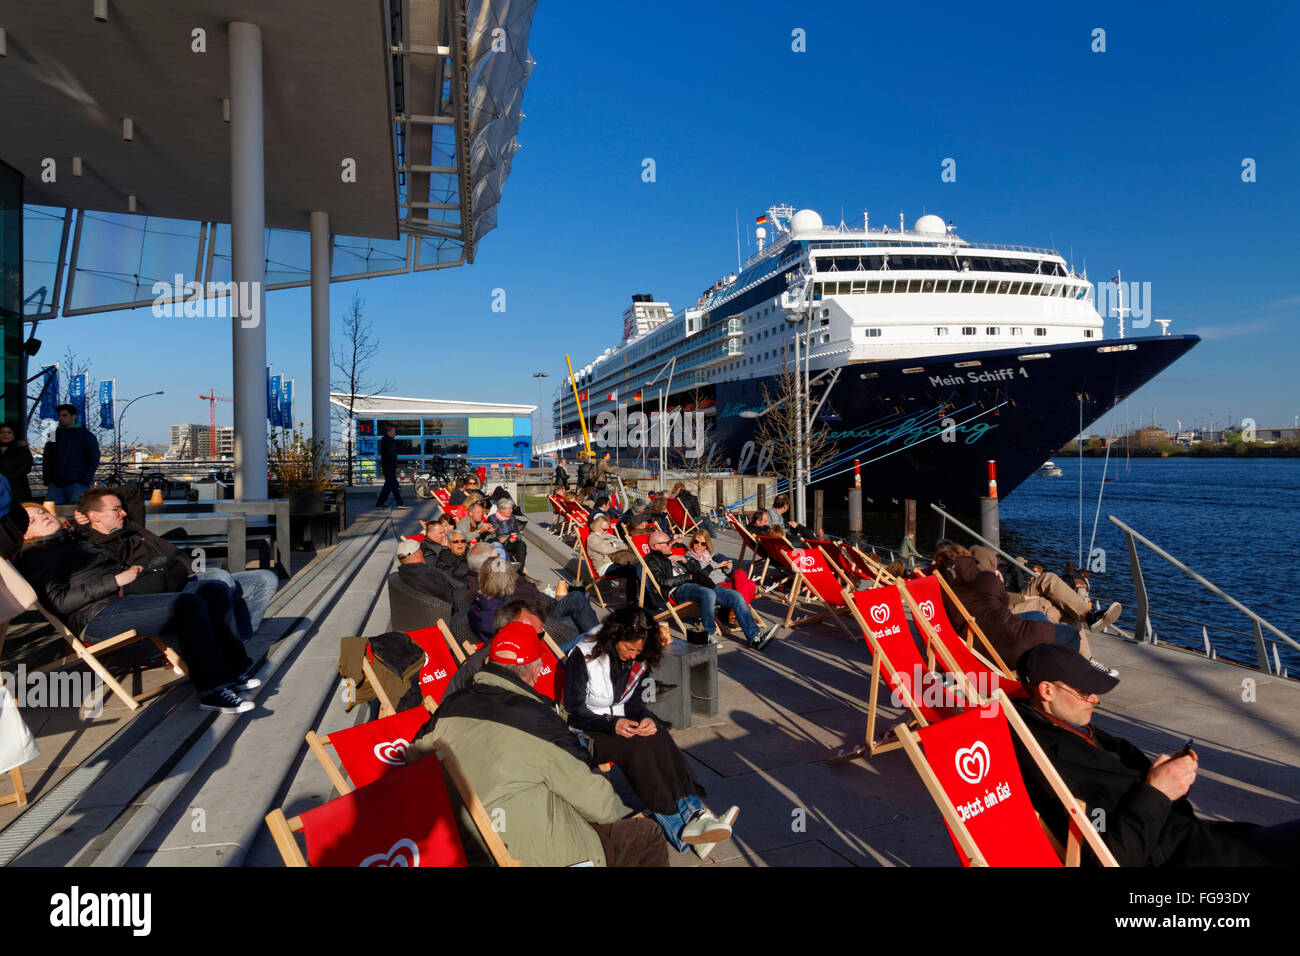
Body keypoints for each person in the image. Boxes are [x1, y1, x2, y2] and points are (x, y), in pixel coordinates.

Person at [406, 620, 667, 867]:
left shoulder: (447, 708)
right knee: (646, 833)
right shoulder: (538, 720)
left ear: (487, 662)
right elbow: (597, 803)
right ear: (534, 670)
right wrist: (617, 810)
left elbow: (413, 758)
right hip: (529, 853)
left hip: (463, 846)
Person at [1011, 644, 1296, 866]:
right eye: (1085, 692)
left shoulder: (1068, 728)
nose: (1096, 699)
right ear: (1047, 690)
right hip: (1180, 856)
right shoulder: (1049, 760)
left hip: (1195, 838)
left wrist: (1170, 781)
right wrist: (1157, 791)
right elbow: (1110, 858)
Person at [17, 504, 258, 714]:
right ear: (23, 534)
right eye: (33, 519)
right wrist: (115, 581)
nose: (43, 516)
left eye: (42, 512)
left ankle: (233, 672)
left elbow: (129, 499)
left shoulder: (76, 539)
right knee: (188, 604)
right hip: (97, 615)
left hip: (126, 598)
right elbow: (59, 602)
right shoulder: (36, 554)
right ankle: (212, 691)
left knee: (213, 590)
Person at [566, 607, 739, 859]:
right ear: (615, 636)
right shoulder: (583, 655)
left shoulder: (640, 657)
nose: (632, 655)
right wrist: (611, 724)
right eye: (629, 648)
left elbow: (634, 702)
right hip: (589, 728)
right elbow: (574, 711)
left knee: (658, 737)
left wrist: (646, 718)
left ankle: (696, 816)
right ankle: (681, 828)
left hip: (621, 720)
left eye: (638, 651)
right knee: (638, 750)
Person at [76, 488, 279, 638]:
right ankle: (221, 647)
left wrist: (92, 500)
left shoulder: (131, 525)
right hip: (165, 588)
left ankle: (240, 643)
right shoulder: (97, 545)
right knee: (220, 577)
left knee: (265, 578)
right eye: (116, 510)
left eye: (121, 509)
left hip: (186, 574)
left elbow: (132, 493)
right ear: (94, 517)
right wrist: (82, 519)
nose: (124, 513)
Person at [933, 540, 1115, 675]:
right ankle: (1085, 659)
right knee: (1052, 607)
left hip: (1002, 606)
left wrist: (1017, 594)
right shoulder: (978, 579)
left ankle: (1088, 615)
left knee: (1048, 578)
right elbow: (998, 602)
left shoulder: (953, 579)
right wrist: (1023, 596)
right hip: (1002, 613)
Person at [642, 531, 777, 650]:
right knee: (708, 593)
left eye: (670, 542)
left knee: (735, 596)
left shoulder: (674, 555)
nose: (670, 544)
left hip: (698, 584)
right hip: (678, 590)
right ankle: (708, 635)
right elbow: (663, 582)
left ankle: (755, 637)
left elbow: (697, 571)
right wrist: (688, 576)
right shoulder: (652, 560)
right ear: (655, 546)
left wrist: (684, 561)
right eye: (667, 543)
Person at [467, 557, 598, 648]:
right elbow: (533, 629)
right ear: (508, 578)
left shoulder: (480, 604)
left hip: (537, 630)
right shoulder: (507, 609)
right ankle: (603, 645)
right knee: (589, 627)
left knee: (578, 601)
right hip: (541, 648)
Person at [42, 404, 100, 506]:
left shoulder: (86, 436)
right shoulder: (53, 435)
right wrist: (48, 480)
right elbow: (47, 458)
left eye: (64, 415)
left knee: (78, 514)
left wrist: (84, 480)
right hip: (55, 484)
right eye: (59, 415)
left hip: (78, 484)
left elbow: (94, 459)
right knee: (54, 515)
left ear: (73, 416)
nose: (60, 418)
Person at [686, 529, 756, 605]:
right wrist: (715, 565)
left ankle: (741, 607)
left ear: (706, 545)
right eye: (696, 542)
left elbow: (722, 572)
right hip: (717, 586)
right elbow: (699, 577)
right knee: (747, 583)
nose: (699, 545)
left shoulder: (708, 556)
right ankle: (744, 609)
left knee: (747, 580)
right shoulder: (690, 558)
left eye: (703, 543)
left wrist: (727, 569)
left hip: (725, 581)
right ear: (692, 542)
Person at [394, 537, 466, 608]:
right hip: (450, 607)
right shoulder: (425, 574)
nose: (423, 552)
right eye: (421, 550)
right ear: (417, 554)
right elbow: (447, 597)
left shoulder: (405, 573)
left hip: (432, 608)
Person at [487, 498, 526, 571]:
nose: (511, 510)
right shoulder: (491, 518)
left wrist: (515, 537)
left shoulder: (512, 517)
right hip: (497, 543)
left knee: (521, 544)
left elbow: (517, 532)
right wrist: (498, 538)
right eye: (510, 509)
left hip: (510, 542)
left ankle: (519, 568)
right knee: (497, 545)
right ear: (502, 510)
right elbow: (489, 535)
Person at [0, 423, 34, 505]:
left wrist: (6, 477)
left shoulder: (22, 449)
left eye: (9, 432)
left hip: (18, 490)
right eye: (2, 432)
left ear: (14, 435)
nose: (5, 435)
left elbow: (26, 467)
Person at [375, 423, 404, 509]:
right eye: (394, 431)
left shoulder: (388, 441)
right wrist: (395, 466)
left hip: (389, 467)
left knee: (394, 486)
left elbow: (391, 455)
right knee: (388, 486)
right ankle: (380, 503)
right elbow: (390, 455)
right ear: (389, 432)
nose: (395, 433)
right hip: (389, 467)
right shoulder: (388, 442)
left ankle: (400, 502)